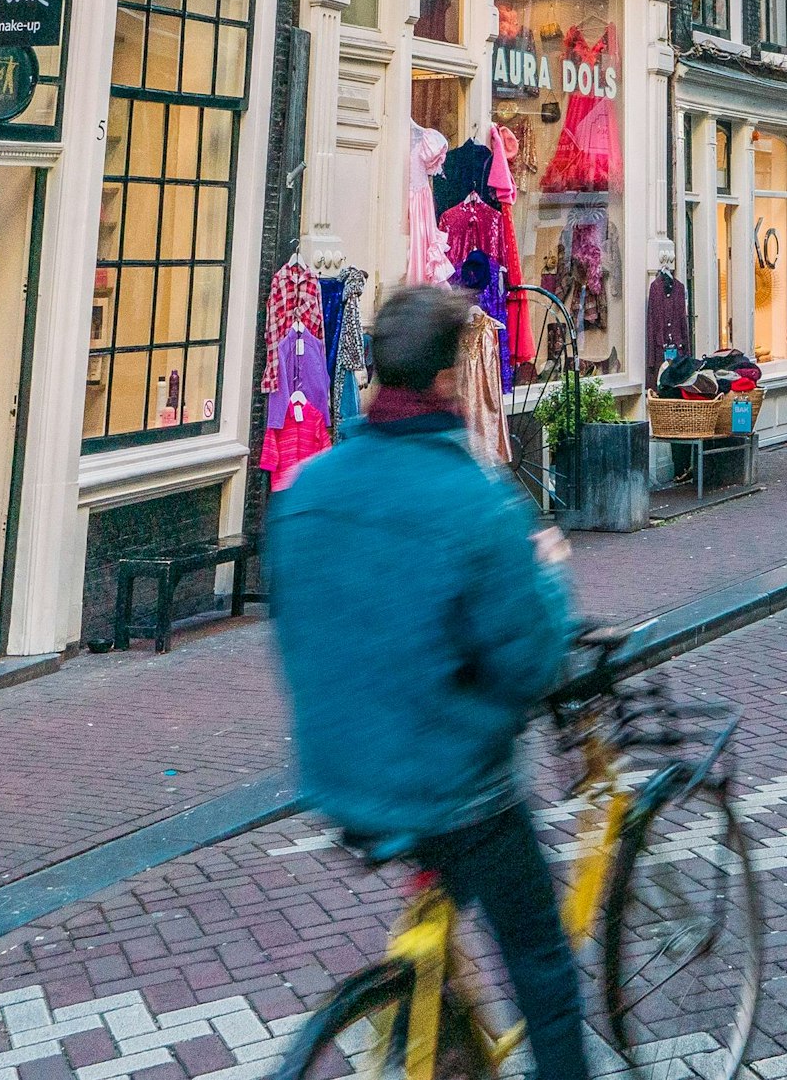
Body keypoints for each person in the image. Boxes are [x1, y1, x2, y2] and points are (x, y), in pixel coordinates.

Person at [269, 285, 587, 1080]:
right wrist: (542, 571)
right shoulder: (476, 504)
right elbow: (531, 658)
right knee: (542, 962)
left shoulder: (306, 492)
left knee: (444, 910)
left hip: (339, 778)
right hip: (451, 786)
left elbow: (298, 621)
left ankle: (437, 1027)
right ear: (450, 380)